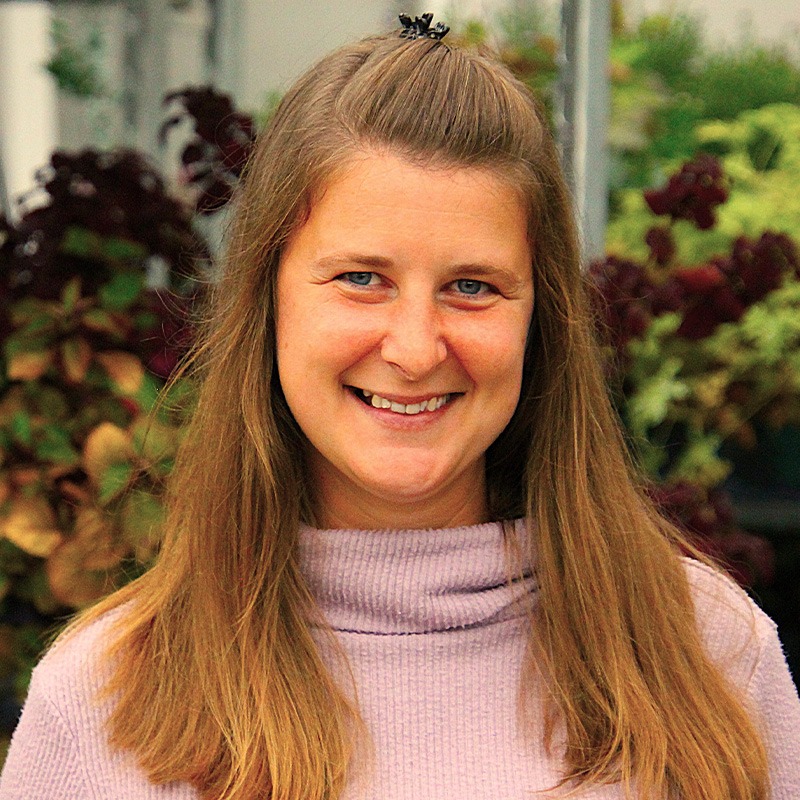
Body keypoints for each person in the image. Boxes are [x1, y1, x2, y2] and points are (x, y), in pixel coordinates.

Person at [1, 14, 799, 800]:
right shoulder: (106, 701)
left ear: (541, 320)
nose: (416, 350)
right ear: (268, 299)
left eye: (472, 287)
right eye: (361, 278)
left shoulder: (712, 657)